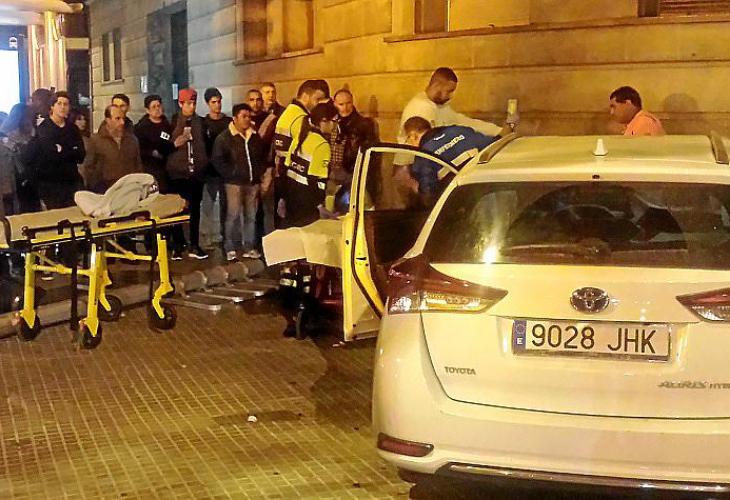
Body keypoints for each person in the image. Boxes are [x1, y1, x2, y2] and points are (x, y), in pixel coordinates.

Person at [403, 116, 498, 207]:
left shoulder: (424, 155)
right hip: (491, 184)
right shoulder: (459, 130)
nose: (410, 143)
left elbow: (428, 192)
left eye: (408, 139)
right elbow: (492, 144)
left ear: (413, 136)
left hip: (464, 200)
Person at [398, 67, 511, 144]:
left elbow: (464, 122)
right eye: (449, 91)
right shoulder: (420, 107)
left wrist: (498, 131)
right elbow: (424, 144)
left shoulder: (440, 106)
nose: (451, 96)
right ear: (436, 85)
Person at [211, 103, 266, 261]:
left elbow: (260, 157)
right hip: (233, 183)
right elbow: (218, 160)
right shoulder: (224, 138)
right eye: (243, 116)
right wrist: (231, 173)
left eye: (249, 116)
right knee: (233, 215)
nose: (247, 119)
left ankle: (249, 246)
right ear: (235, 118)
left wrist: (258, 174)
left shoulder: (254, 137)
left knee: (251, 216)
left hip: (252, 182)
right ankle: (230, 247)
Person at [274, 80, 330, 221]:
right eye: (318, 99)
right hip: (301, 185)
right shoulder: (301, 119)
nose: (320, 104)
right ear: (305, 96)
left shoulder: (289, 113)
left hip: (287, 180)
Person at [23, 91, 85, 209]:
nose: (62, 107)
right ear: (52, 106)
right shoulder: (43, 129)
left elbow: (80, 155)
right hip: (51, 185)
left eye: (66, 104)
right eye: (59, 103)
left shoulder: (72, 129)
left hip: (71, 182)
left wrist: (62, 150)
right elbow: (48, 156)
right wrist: (69, 150)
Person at [166, 88, 209, 260]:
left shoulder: (200, 122)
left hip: (196, 173)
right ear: (181, 104)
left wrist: (203, 165)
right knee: (178, 209)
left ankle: (194, 243)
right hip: (178, 172)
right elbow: (166, 144)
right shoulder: (173, 121)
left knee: (195, 210)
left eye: (193, 103)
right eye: (188, 104)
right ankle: (178, 244)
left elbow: (205, 144)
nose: (191, 107)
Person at [282, 101, 337, 227]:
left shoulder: (300, 136)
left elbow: (286, 168)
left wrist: (283, 198)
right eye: (334, 121)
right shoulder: (322, 145)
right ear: (324, 121)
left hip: (291, 196)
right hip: (307, 202)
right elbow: (316, 180)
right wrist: (319, 206)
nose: (335, 125)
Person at [81, 104, 144, 193]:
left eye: (123, 118)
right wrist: (95, 188)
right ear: (108, 120)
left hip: (129, 189)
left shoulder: (132, 140)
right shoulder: (96, 141)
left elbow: (138, 166)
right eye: (117, 119)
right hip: (105, 189)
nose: (122, 122)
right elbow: (89, 168)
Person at [200, 87, 231, 251]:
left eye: (219, 102)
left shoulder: (228, 122)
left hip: (225, 170)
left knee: (226, 205)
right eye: (214, 102)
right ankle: (206, 236)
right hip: (210, 170)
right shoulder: (203, 123)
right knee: (208, 205)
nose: (217, 105)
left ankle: (224, 235)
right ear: (208, 103)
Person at [330, 88, 379, 183]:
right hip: (332, 171)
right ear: (335, 104)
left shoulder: (363, 125)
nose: (345, 108)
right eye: (341, 104)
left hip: (351, 172)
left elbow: (371, 152)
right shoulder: (331, 122)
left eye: (348, 103)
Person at [135, 94, 175, 193]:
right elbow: (140, 149)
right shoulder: (141, 128)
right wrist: (152, 152)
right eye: (153, 107)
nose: (157, 109)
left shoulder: (167, 124)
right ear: (147, 110)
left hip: (167, 168)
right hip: (151, 168)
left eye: (159, 106)